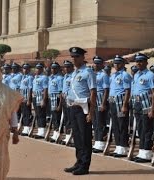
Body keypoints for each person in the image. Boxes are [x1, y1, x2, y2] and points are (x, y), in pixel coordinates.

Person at [64, 47, 96, 175]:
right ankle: (78, 162)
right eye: (72, 56)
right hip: (74, 107)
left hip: (85, 107)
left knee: (85, 137)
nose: (74, 59)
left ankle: (84, 165)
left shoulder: (88, 72)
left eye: (76, 56)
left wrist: (91, 112)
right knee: (77, 136)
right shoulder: (73, 73)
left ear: (83, 58)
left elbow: (93, 92)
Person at [130, 53, 154, 163]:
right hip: (137, 103)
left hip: (146, 104)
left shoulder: (150, 75)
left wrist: (152, 109)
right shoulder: (136, 75)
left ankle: (147, 153)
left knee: (147, 128)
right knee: (140, 128)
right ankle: (141, 152)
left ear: (146, 62)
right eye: (137, 61)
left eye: (141, 61)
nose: (138, 63)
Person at [109, 55, 131, 157]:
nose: (116, 65)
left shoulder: (125, 75)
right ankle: (118, 146)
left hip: (120, 102)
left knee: (122, 125)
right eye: (115, 63)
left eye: (118, 63)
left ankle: (123, 147)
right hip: (113, 101)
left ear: (122, 64)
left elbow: (127, 91)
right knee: (115, 125)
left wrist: (125, 105)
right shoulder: (113, 76)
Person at [92, 56, 110, 153]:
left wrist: (103, 104)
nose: (96, 65)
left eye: (98, 63)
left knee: (100, 122)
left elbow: (106, 90)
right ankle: (97, 141)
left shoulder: (104, 75)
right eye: (95, 63)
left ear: (102, 64)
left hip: (100, 98)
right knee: (95, 122)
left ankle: (101, 144)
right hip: (93, 99)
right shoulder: (93, 74)